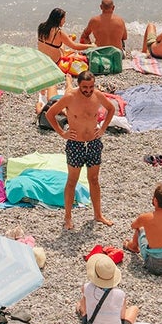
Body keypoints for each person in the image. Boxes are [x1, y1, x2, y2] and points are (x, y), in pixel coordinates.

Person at [47, 70, 117, 228]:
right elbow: (50, 114)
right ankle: (68, 217)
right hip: (75, 144)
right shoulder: (70, 97)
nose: (88, 90)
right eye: (85, 87)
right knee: (72, 181)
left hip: (93, 142)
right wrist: (62, 133)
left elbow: (111, 109)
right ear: (79, 85)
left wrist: (103, 127)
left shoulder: (97, 95)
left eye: (91, 87)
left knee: (94, 180)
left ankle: (98, 215)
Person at [76, 251, 139, 324]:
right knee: (134, 309)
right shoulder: (120, 294)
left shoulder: (86, 288)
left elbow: (85, 304)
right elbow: (122, 317)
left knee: (82, 302)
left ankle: (79, 309)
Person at [126, 183, 162, 274]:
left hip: (155, 266)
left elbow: (133, 226)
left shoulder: (145, 218)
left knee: (140, 227)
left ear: (155, 200)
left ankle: (133, 246)